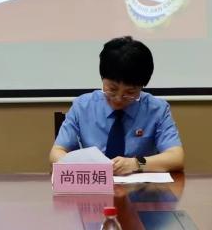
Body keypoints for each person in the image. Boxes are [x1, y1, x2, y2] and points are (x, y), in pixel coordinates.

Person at [49, 36, 184, 174]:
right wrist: (88, 168)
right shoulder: (83, 106)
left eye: (130, 92)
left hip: (141, 186)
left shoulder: (157, 110)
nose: (118, 99)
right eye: (112, 89)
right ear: (102, 78)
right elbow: (56, 153)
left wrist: (136, 163)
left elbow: (176, 157)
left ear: (142, 86)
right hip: (95, 183)